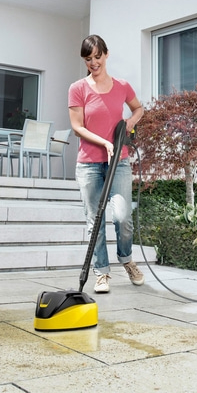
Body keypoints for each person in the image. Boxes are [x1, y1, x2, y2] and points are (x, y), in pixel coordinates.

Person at [68, 35, 145, 293]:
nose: (94, 62)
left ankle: (126, 259)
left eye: (97, 57)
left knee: (123, 217)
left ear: (107, 55)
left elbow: (138, 109)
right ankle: (101, 272)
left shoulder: (122, 86)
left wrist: (128, 125)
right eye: (88, 59)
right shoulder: (78, 88)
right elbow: (77, 127)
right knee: (95, 220)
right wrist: (104, 142)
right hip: (89, 165)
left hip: (119, 163)